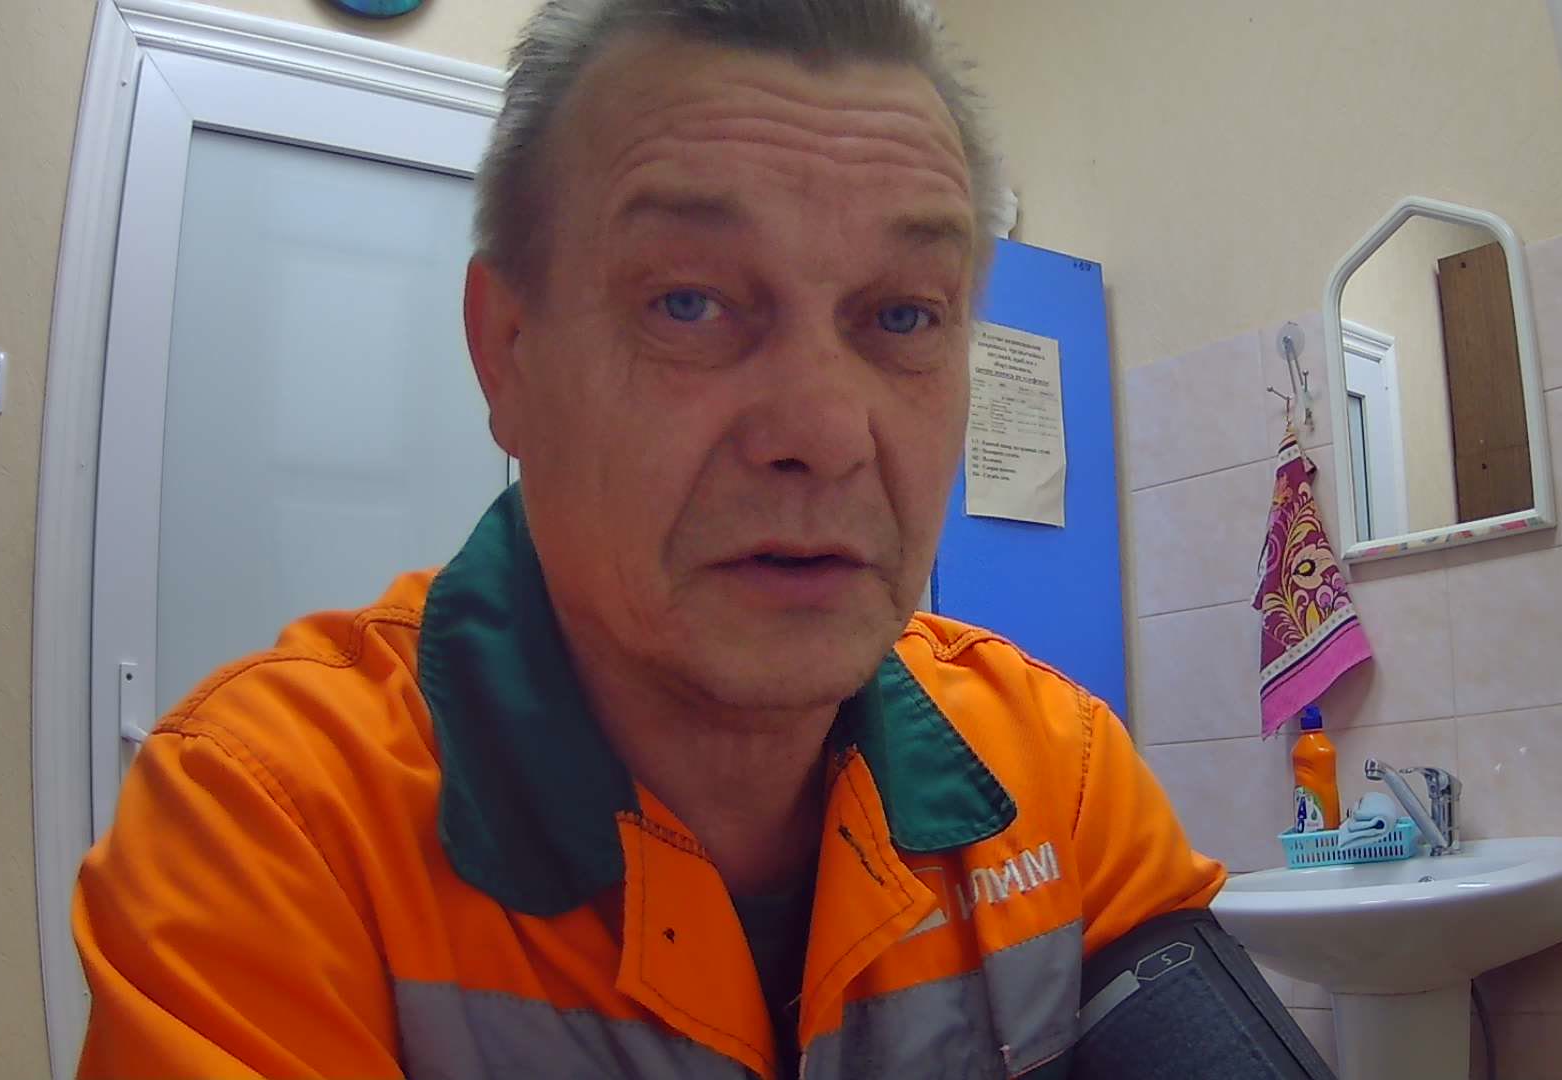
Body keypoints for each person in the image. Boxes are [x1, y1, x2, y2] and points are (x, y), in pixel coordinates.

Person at [75, 2, 1325, 1077]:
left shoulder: (1056, 777)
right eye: (689, 301)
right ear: (508, 352)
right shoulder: (273, 830)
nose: (824, 434)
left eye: (904, 314)